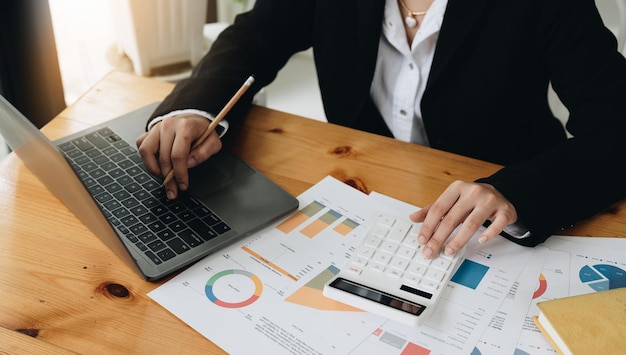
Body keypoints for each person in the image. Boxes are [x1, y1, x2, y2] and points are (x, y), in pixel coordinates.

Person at [136, 0, 626, 259]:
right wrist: (195, 111)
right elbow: (252, 37)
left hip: (494, 225)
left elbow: (617, 125)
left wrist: (513, 191)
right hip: (366, 200)